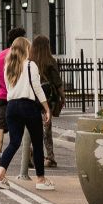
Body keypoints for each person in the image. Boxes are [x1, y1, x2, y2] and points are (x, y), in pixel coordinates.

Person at [0, 36, 51, 190]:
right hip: (28, 106)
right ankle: (40, 179)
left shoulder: (8, 67)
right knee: (37, 142)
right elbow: (37, 87)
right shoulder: (30, 65)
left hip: (11, 106)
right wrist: (46, 107)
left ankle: (0, 172)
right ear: (26, 49)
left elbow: (7, 87)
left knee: (14, 142)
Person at [0, 26, 24, 164]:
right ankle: (28, 154)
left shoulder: (1, 54)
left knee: (0, 125)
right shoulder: (22, 55)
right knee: (23, 126)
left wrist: (0, 87)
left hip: (2, 95)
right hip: (17, 95)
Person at [33, 34, 65, 170]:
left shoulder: (30, 61)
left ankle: (31, 155)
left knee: (32, 127)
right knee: (47, 128)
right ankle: (50, 157)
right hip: (47, 98)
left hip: (33, 98)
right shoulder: (50, 61)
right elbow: (57, 81)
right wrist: (62, 96)